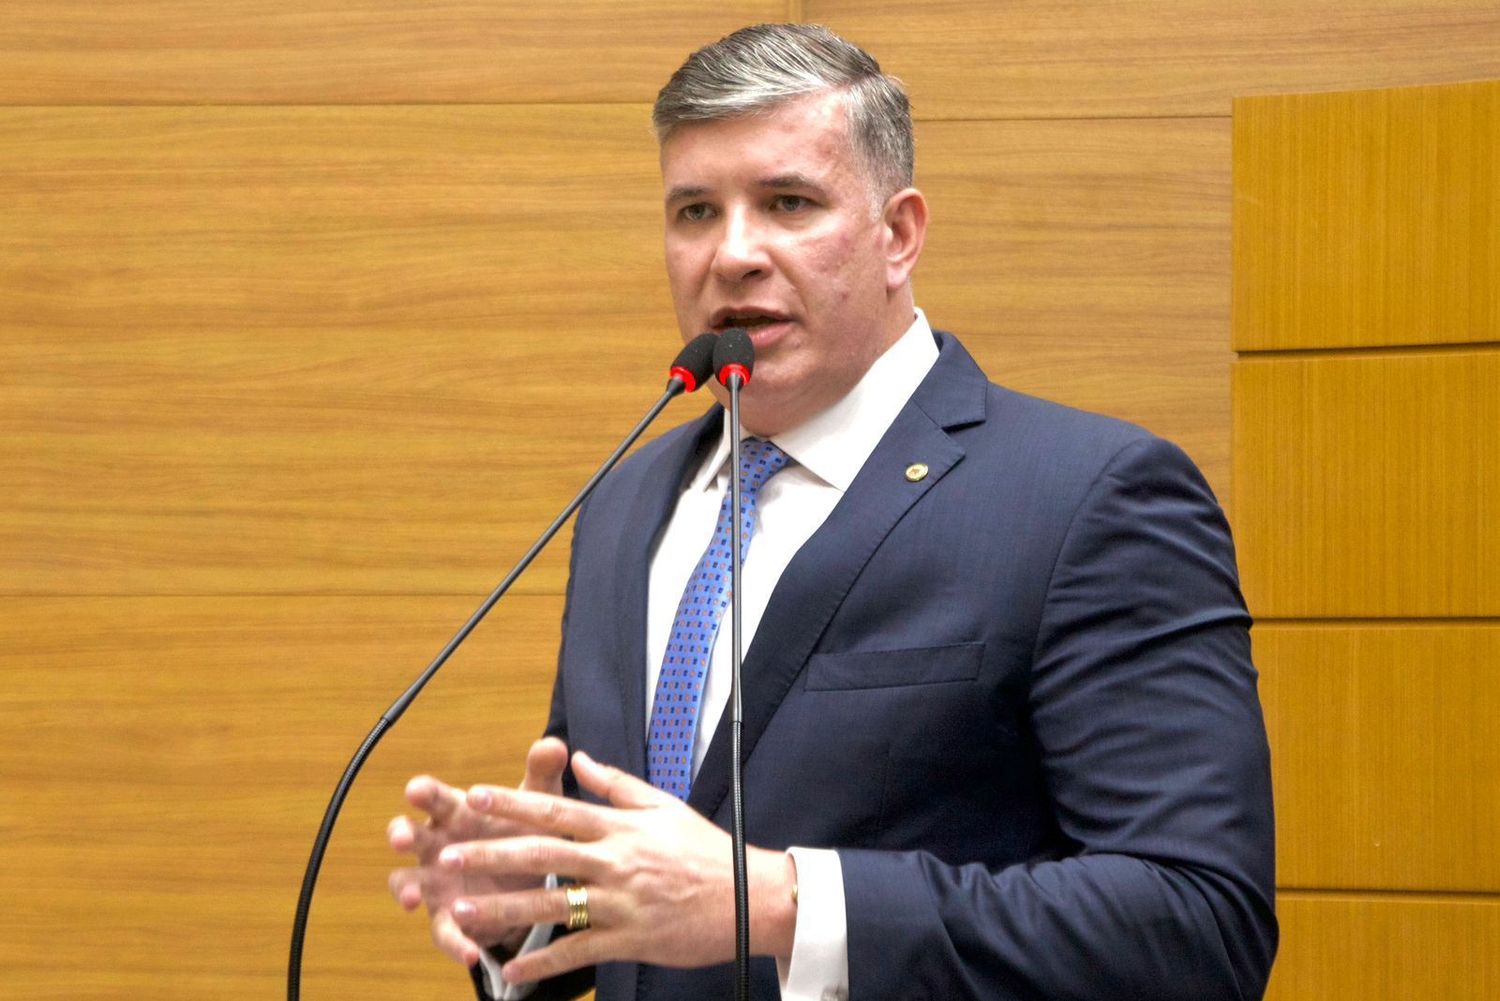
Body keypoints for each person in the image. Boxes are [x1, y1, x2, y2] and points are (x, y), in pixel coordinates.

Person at [387, 23, 1277, 1001]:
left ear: (899, 235)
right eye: (695, 210)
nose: (733, 254)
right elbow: (650, 892)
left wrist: (784, 903)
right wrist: (535, 910)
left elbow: (1200, 924)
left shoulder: (1087, 497)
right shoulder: (624, 505)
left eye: (788, 203)